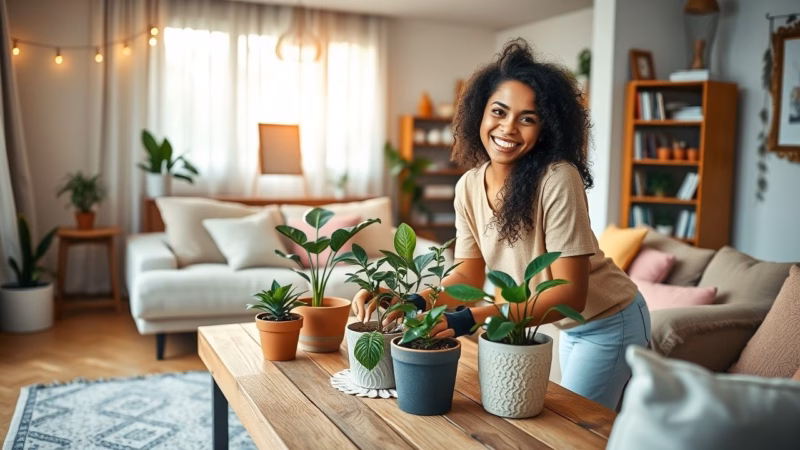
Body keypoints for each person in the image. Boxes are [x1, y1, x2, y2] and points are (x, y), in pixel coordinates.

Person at [352, 39, 650, 410]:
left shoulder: (558, 178)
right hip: (565, 326)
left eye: (528, 118)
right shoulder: (468, 187)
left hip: (609, 320)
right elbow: (466, 281)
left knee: (578, 432)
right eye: (499, 111)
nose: (508, 128)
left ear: (546, 129)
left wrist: (467, 320)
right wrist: (407, 300)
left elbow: (570, 295)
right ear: (479, 113)